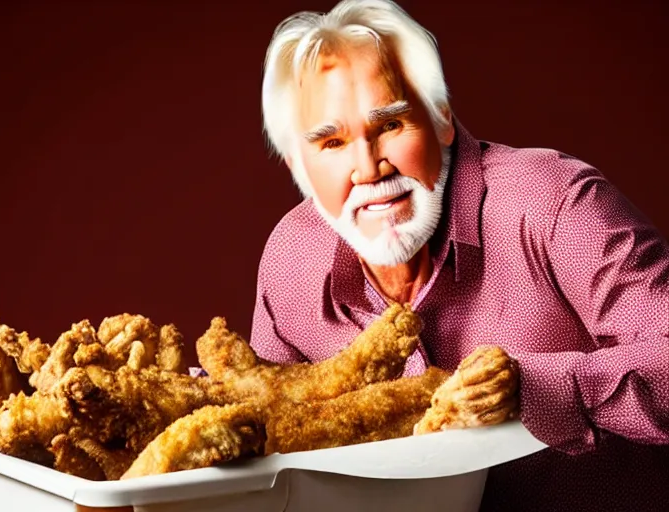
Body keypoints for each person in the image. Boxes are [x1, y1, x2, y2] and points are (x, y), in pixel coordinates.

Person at [250, 0, 669, 510]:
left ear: (441, 117)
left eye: (390, 125)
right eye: (332, 143)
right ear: (297, 164)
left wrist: (532, 389)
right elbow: (260, 426)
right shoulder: (290, 260)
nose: (368, 169)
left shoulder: (553, 201)